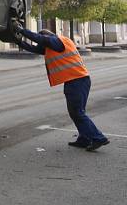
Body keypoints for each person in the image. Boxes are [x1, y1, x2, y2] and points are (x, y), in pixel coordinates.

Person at [13, 22, 109, 151]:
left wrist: (22, 30)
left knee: (77, 113)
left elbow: (40, 39)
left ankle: (98, 137)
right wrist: (19, 42)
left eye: (43, 42)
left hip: (77, 81)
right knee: (77, 112)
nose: (41, 46)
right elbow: (35, 49)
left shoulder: (57, 41)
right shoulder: (55, 45)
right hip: (78, 80)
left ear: (48, 38)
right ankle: (84, 139)